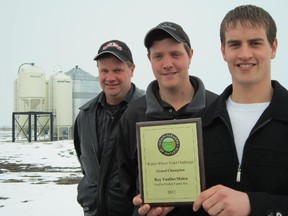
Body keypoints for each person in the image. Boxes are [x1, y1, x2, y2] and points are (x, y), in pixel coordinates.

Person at [134, 4, 288, 216]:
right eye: (234, 44)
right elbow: (197, 203)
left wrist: (254, 205)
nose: (244, 54)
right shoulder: (199, 125)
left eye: (255, 43)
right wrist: (170, 204)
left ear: (273, 47)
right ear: (223, 51)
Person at [117, 21, 218, 215]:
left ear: (190, 56)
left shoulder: (217, 108)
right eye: (158, 56)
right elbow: (125, 180)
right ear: (149, 59)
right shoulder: (133, 114)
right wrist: (140, 204)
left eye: (175, 54)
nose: (167, 64)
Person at [73, 39, 145, 216]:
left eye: (117, 70)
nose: (110, 78)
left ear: (132, 70)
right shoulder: (85, 116)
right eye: (104, 71)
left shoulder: (149, 110)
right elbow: (86, 167)